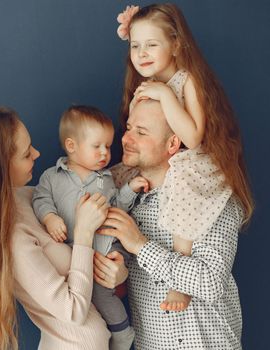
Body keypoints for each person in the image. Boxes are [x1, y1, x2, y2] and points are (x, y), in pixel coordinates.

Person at [0, 108, 128, 350]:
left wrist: (119, 273)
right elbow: (73, 311)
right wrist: (83, 235)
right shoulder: (12, 237)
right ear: (1, 169)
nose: (37, 153)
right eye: (27, 154)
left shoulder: (30, 197)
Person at [114, 3, 254, 311]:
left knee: (181, 200)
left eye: (152, 44)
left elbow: (192, 137)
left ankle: (181, 282)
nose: (142, 53)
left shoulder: (184, 80)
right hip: (169, 164)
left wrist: (164, 95)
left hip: (191, 161)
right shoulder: (142, 86)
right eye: (136, 46)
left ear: (176, 44)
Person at [99, 99, 253, 349]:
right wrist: (119, 274)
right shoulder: (126, 199)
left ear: (172, 143)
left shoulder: (210, 195)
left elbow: (210, 282)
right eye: (128, 128)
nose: (126, 139)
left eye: (141, 132)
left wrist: (140, 245)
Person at [32, 105, 147, 349]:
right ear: (72, 146)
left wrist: (129, 189)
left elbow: (117, 206)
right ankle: (115, 332)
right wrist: (50, 218)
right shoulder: (52, 177)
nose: (105, 153)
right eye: (97, 147)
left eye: (108, 146)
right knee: (92, 297)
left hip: (107, 247)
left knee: (105, 292)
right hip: (79, 254)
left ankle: (122, 333)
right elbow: (40, 200)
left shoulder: (106, 179)